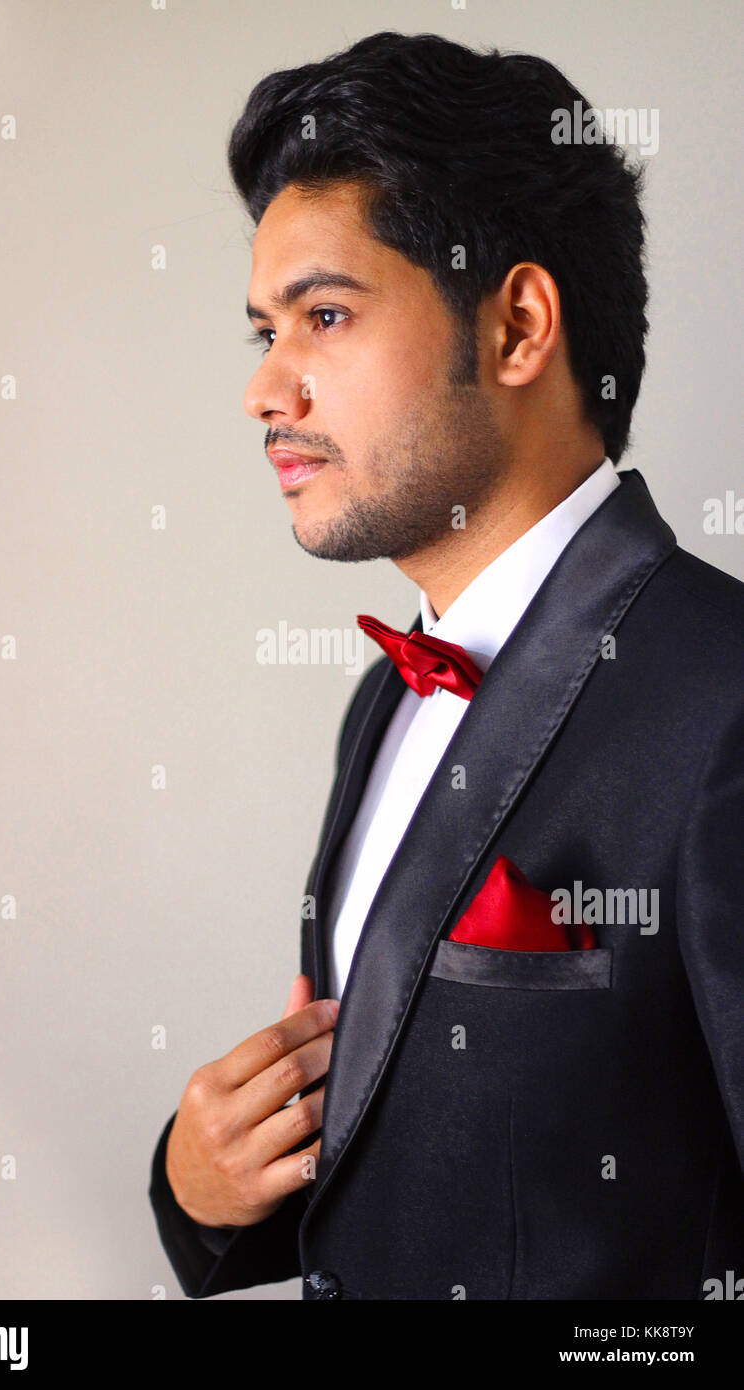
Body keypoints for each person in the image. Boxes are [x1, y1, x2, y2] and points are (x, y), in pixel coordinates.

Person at [148, 31, 744, 1300]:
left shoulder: (725, 699)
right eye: (262, 329)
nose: (265, 386)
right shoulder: (385, 699)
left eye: (323, 314)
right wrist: (198, 1192)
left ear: (520, 323)